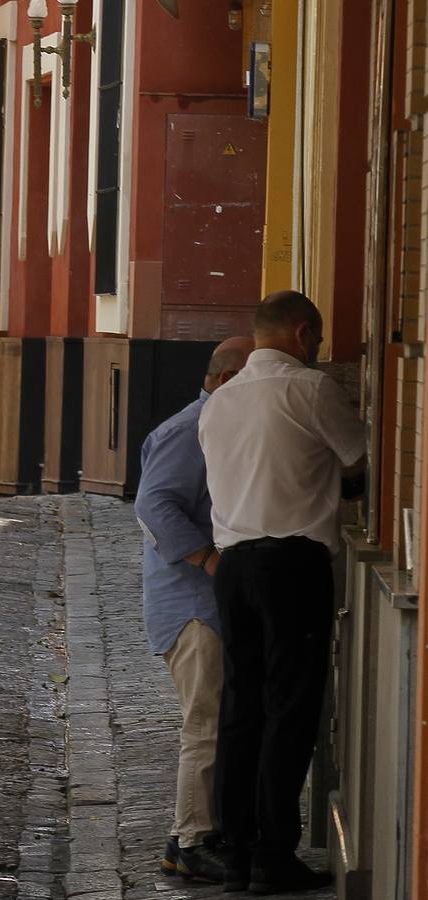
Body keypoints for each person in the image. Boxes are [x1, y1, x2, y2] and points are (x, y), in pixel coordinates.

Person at [196, 291, 365, 893]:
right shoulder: (310, 389)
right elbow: (358, 455)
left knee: (241, 710)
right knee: (290, 710)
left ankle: (235, 852)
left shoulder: (219, 403)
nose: (317, 350)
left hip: (235, 566)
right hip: (293, 565)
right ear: (302, 333)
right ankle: (274, 855)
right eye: (316, 340)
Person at [134, 336, 252, 883]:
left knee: (215, 721)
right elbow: (154, 503)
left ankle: (193, 831)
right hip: (191, 605)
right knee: (203, 724)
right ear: (227, 381)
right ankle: (190, 841)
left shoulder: (214, 426)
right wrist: (207, 559)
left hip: (203, 602)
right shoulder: (188, 430)